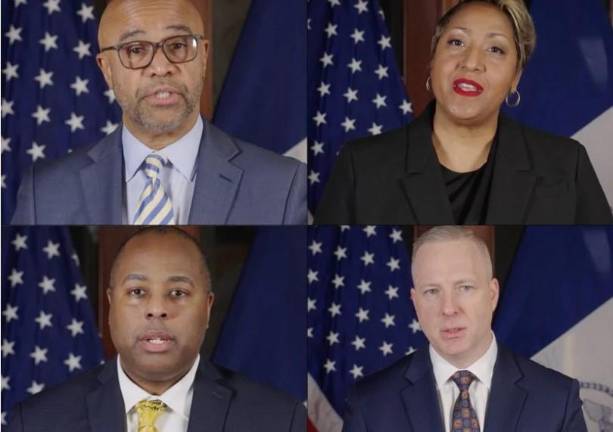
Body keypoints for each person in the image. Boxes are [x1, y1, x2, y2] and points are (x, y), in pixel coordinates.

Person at [315, 0, 611, 224]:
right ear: (433, 60)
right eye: (456, 42)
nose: (471, 62)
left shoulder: (565, 166)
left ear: (516, 77)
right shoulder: (361, 166)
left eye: (495, 49)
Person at [11, 0, 306, 225]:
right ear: (106, 69)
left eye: (178, 45)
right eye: (136, 50)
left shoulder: (283, 185)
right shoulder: (44, 193)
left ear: (203, 56)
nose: (161, 66)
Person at [7, 227, 306, 432]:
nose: (157, 308)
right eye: (137, 292)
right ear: (112, 304)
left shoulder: (278, 419)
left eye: (177, 293)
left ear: (208, 308)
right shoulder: (36, 421)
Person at [343, 226, 587, 432]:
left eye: (465, 288)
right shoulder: (369, 403)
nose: (448, 308)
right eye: (432, 291)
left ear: (492, 295)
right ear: (415, 303)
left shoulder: (557, 399)